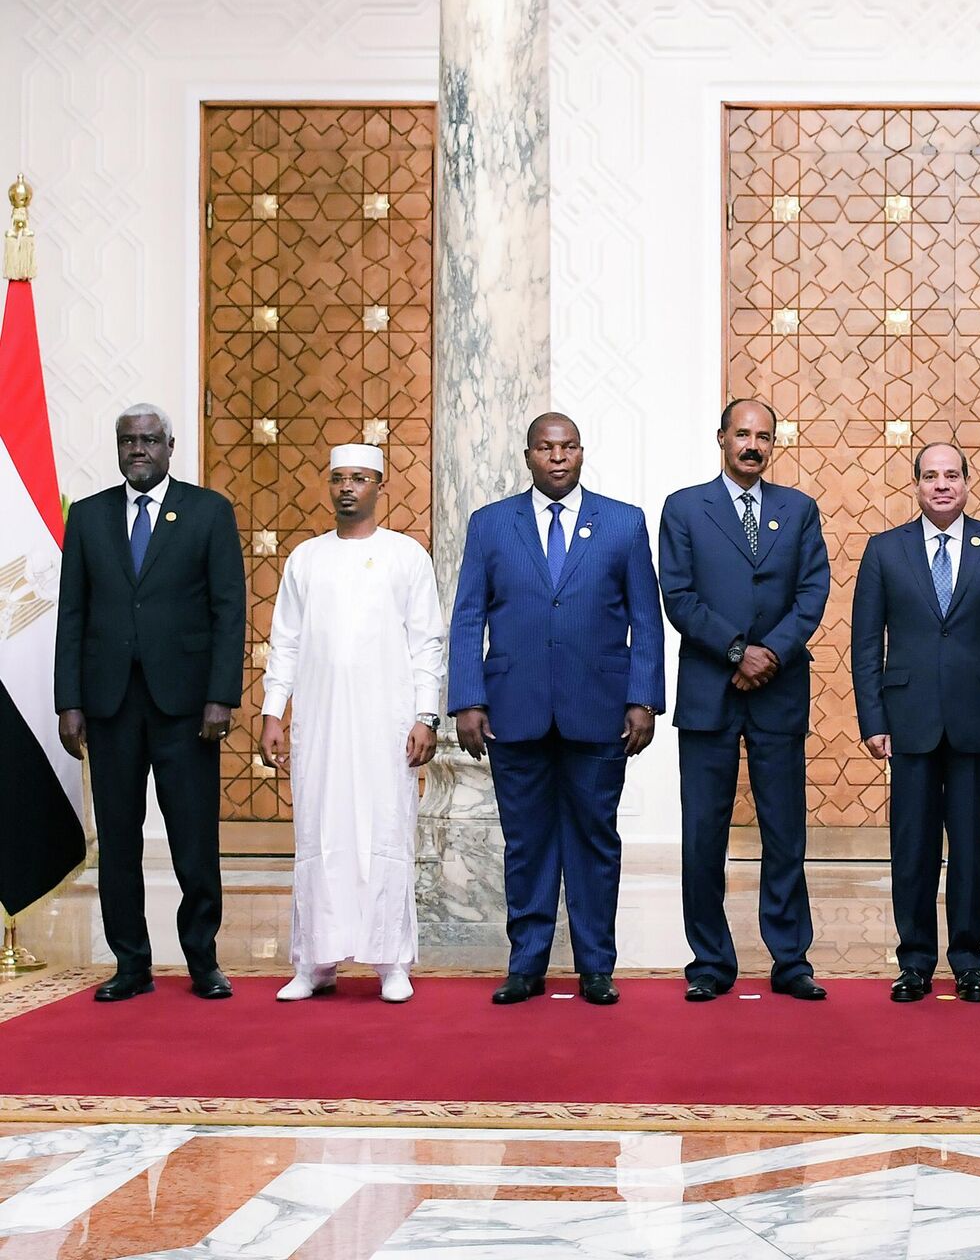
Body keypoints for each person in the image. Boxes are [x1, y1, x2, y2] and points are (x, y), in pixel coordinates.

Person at [447, 413, 666, 1007]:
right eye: (546, 448)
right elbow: (468, 615)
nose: (558, 457)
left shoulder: (622, 523)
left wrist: (644, 699)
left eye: (568, 447)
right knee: (526, 842)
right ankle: (527, 965)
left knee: (596, 840)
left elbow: (646, 618)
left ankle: (597, 965)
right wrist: (467, 699)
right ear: (528, 456)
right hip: (514, 710)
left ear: (582, 453)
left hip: (599, 711)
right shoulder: (491, 525)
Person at [53, 404, 244, 1002]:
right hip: (109, 705)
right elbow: (73, 616)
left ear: (169, 446)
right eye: (128, 441)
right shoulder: (87, 517)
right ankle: (130, 964)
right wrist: (69, 701)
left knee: (193, 837)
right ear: (118, 448)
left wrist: (220, 696)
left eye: (149, 440)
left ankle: (202, 960)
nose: (138, 449)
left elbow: (227, 611)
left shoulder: (208, 511)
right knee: (118, 838)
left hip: (186, 706)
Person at [850, 441, 980, 1003]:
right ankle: (914, 963)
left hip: (978, 722)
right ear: (916, 484)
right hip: (906, 722)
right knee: (911, 846)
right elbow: (865, 644)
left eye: (951, 475)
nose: (941, 485)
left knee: (971, 845)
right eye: (930, 476)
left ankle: (968, 962)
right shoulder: (884, 551)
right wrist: (872, 718)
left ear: (966, 482)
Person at [660, 398, 831, 1002]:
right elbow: (677, 597)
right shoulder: (684, 508)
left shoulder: (799, 510)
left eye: (763, 435)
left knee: (784, 830)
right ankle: (709, 960)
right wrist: (738, 652)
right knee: (703, 830)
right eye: (742, 434)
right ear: (721, 439)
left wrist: (770, 655)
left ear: (773, 444)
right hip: (710, 690)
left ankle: (790, 958)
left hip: (778, 689)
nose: (752, 444)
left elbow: (812, 594)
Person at [260, 444, 445, 1005]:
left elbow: (428, 641)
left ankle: (391, 961)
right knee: (319, 834)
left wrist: (426, 715)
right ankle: (314, 963)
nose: (347, 488)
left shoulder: (405, 556)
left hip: (386, 722)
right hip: (318, 723)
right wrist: (273, 710)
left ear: (379, 488)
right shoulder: (306, 558)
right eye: (338, 478)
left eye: (359, 479)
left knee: (385, 831)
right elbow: (285, 641)